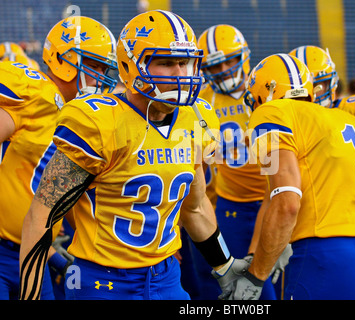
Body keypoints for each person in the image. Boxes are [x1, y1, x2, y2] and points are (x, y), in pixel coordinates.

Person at [19, 10, 249, 300]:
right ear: (131, 65)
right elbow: (41, 216)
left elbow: (196, 206)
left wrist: (225, 264)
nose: (180, 73)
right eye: (166, 63)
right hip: (102, 281)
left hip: (166, 278)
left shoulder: (197, 118)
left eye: (185, 62)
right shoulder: (100, 122)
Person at [228, 53, 355, 300]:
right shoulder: (349, 120)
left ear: (262, 94)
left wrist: (256, 275)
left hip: (323, 258)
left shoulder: (271, 113)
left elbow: (287, 202)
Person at [0, 16, 118, 300]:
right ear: (65, 61)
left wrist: (53, 252)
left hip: (36, 254)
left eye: (105, 67)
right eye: (95, 65)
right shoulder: (38, 93)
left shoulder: (81, 114)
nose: (102, 76)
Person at [180, 24, 276, 300]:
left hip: (275, 197)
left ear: (244, 55)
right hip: (229, 204)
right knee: (226, 288)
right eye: (215, 65)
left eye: (230, 60)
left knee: (273, 288)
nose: (224, 70)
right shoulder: (200, 101)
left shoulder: (266, 89)